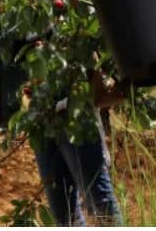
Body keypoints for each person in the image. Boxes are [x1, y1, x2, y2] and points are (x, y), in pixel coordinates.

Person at [31, 69, 126, 227]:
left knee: (100, 202)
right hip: (42, 122)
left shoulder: (78, 47)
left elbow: (97, 93)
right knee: (63, 214)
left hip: (78, 117)